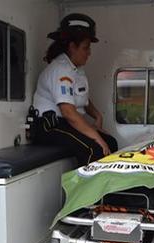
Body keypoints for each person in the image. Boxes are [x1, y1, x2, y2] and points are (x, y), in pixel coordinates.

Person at [32, 13, 118, 166]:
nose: (89, 53)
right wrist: (96, 137)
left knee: (110, 142)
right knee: (96, 148)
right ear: (72, 47)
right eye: (86, 48)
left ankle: (106, 188)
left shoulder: (75, 69)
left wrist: (97, 116)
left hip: (65, 124)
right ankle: (90, 190)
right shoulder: (61, 69)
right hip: (50, 127)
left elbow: (80, 96)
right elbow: (68, 112)